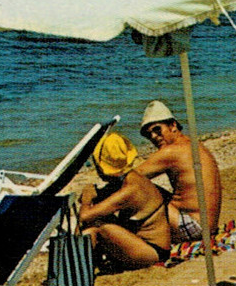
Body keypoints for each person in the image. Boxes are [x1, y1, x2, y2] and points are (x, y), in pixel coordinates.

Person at [78, 131, 175, 269]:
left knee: (96, 226)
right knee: (98, 218)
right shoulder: (133, 177)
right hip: (148, 246)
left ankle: (80, 269)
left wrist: (87, 199)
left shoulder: (129, 191)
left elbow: (84, 216)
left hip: (153, 252)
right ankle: (85, 266)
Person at [136, 100, 223, 243]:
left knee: (136, 190)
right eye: (148, 134)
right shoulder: (191, 144)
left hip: (195, 227)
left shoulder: (172, 151)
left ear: (173, 125)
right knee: (143, 188)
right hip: (207, 226)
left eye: (157, 130)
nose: (153, 137)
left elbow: (130, 178)